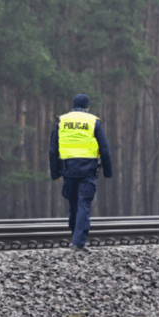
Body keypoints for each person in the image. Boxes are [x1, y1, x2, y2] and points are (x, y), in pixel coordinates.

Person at [49, 94, 113, 252]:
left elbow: (52, 150)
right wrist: (108, 171)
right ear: (87, 107)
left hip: (68, 169)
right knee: (84, 204)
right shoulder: (93, 121)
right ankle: (78, 243)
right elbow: (104, 149)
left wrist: (55, 173)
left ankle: (75, 238)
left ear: (73, 105)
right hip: (87, 170)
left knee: (73, 205)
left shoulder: (62, 121)